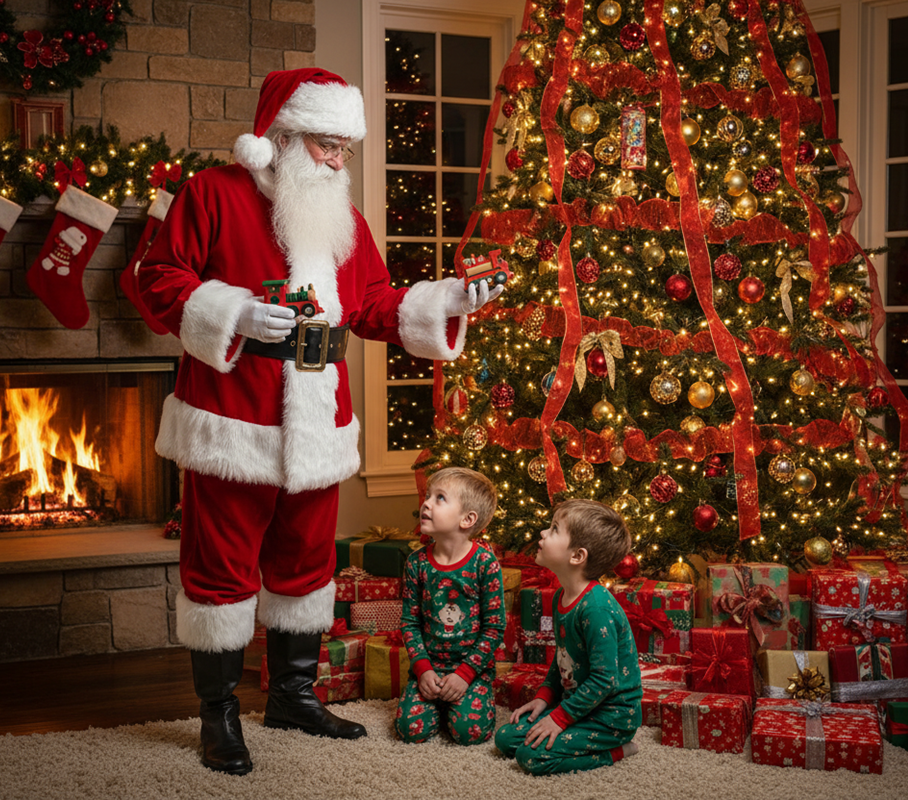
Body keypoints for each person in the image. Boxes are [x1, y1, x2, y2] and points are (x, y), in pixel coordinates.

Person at [135, 68, 502, 776]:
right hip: (230, 416)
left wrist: (452, 298)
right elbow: (156, 280)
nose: (338, 161)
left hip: (320, 414)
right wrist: (235, 310)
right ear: (282, 136)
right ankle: (218, 716)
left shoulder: (340, 216)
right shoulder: (211, 194)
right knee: (220, 569)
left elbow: (370, 303)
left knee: (306, 564)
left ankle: (292, 696)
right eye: (327, 146)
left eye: (345, 148)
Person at [494, 499, 642, 775]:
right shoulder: (563, 596)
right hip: (577, 705)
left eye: (553, 529)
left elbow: (604, 680)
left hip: (610, 717)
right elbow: (563, 658)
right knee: (505, 738)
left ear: (577, 556)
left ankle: (618, 750)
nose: (543, 534)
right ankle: (567, 724)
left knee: (531, 757)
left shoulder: (596, 609)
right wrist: (545, 697)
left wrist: (559, 719)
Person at [394, 467, 505, 745]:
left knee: (469, 733)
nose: (426, 503)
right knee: (409, 730)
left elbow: (494, 628)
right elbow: (410, 623)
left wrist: (466, 675)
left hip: (470, 670)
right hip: (429, 667)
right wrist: (422, 669)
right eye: (428, 496)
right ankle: (436, 701)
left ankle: (464, 700)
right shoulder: (416, 563)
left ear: (467, 519)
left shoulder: (485, 564)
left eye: (440, 498)